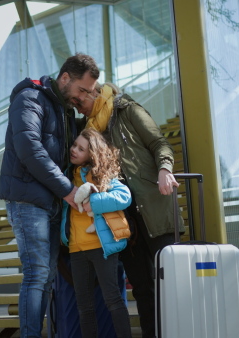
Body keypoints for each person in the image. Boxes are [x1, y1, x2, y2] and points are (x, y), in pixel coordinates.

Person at [0, 53, 99, 338]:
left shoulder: (65, 110)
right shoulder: (30, 97)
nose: (83, 97)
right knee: (37, 274)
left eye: (89, 92)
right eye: (82, 90)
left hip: (53, 201)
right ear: (65, 77)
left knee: (47, 277)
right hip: (29, 200)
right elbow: (29, 147)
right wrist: (68, 190)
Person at [75, 82, 182, 338]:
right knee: (143, 289)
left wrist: (165, 169)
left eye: (81, 103)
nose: (79, 111)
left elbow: (159, 143)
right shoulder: (90, 133)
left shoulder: (128, 110)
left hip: (154, 210)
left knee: (172, 285)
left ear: (94, 93)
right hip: (123, 222)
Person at [60, 128, 133, 338]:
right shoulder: (66, 175)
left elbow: (123, 197)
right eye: (74, 145)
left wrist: (91, 202)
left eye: (80, 149)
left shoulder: (99, 174)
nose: (74, 150)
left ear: (91, 154)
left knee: (113, 300)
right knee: (84, 306)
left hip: (101, 247)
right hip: (76, 248)